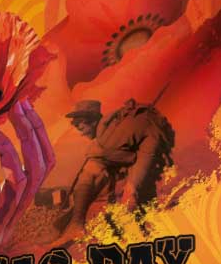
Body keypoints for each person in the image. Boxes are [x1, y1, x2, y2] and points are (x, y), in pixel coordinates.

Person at [55, 97, 175, 238]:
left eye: (80, 125)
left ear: (92, 121)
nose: (80, 131)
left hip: (154, 150)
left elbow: (90, 174)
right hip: (145, 146)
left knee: (132, 195)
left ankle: (144, 230)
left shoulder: (108, 141)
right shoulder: (108, 128)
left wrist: (132, 187)